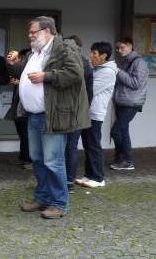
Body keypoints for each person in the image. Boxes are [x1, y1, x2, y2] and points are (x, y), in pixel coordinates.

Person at [9, 16, 89, 219]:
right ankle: (43, 198)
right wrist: (17, 66)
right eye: (29, 32)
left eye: (33, 32)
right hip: (34, 115)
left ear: (47, 31)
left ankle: (59, 203)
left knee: (53, 161)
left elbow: (75, 74)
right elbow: (30, 76)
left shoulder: (64, 49)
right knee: (37, 160)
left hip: (52, 116)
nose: (30, 36)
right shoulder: (36, 52)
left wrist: (46, 76)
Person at [74, 42, 117, 188]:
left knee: (93, 145)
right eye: (91, 53)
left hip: (95, 113)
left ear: (103, 56)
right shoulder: (97, 69)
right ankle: (89, 175)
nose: (91, 56)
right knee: (88, 144)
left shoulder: (108, 72)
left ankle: (98, 178)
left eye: (94, 53)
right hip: (88, 112)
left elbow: (89, 89)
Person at [110, 37, 149, 171]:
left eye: (122, 47)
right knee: (123, 131)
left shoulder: (139, 63)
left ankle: (126, 160)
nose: (119, 50)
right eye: (118, 48)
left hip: (131, 103)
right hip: (123, 101)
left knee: (116, 131)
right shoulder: (126, 61)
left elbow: (135, 83)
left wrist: (118, 71)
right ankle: (121, 158)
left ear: (130, 46)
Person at [63, 35, 94, 192]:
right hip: (80, 110)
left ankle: (65, 181)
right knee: (71, 147)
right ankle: (69, 181)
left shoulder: (67, 63)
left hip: (66, 111)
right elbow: (90, 92)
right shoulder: (86, 64)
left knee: (65, 147)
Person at [4, 48, 32, 169]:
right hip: (18, 104)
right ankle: (23, 157)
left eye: (20, 58)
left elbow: (31, 83)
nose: (19, 60)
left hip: (26, 106)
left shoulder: (30, 66)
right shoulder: (23, 66)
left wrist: (20, 83)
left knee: (26, 134)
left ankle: (29, 159)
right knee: (22, 133)